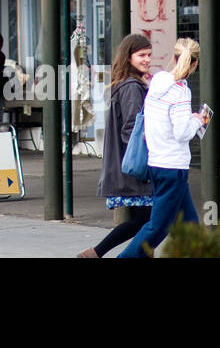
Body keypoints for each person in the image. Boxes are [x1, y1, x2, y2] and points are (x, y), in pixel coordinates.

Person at [118, 38, 210, 258]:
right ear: (195, 64)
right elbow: (182, 133)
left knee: (190, 224)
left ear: (173, 58)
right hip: (173, 167)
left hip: (156, 163)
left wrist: (188, 118)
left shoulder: (158, 81)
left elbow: (163, 121)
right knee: (157, 227)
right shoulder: (181, 91)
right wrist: (198, 120)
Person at [79, 33, 154, 258]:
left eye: (149, 55)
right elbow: (132, 128)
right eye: (141, 55)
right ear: (128, 57)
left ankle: (97, 253)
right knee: (145, 221)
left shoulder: (126, 84)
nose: (147, 59)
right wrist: (146, 157)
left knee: (142, 221)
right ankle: (95, 252)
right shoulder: (132, 87)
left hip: (127, 165)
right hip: (134, 167)